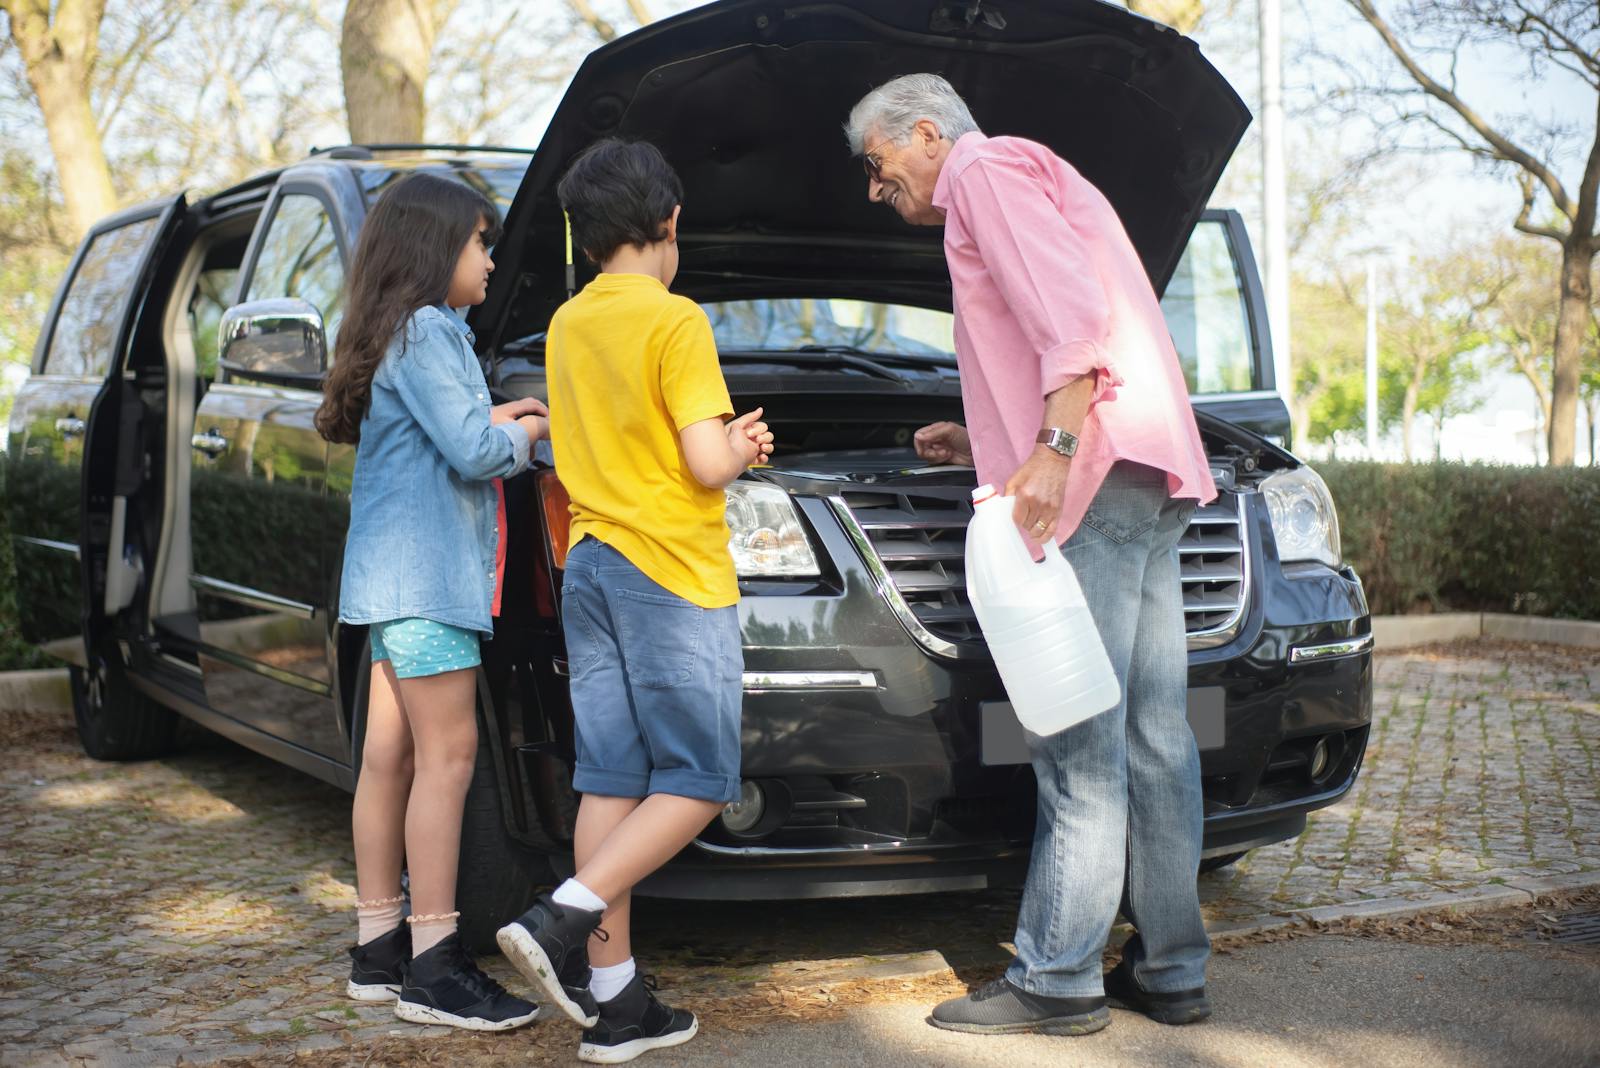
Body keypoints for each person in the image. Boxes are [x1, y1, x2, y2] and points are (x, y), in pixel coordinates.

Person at [843, 74, 1218, 1036]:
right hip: (1145, 464)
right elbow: (1070, 323)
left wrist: (1048, 455)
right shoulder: (1035, 173)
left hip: (1091, 471)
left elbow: (1070, 321)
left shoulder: (984, 171)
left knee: (1077, 740)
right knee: (1155, 735)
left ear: (927, 134)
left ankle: (1055, 979)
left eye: (881, 170)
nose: (877, 194)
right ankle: (1171, 969)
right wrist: (985, 439)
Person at [495, 138, 774, 1065]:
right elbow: (701, 462)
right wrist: (743, 446)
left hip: (592, 565)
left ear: (585, 235)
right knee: (699, 778)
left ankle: (617, 1006)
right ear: (672, 221)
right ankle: (559, 919)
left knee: (608, 776)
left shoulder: (569, 323)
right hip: (670, 570)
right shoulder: (675, 319)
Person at [316, 172, 546, 1031]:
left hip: (389, 586)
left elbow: (443, 432)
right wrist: (521, 431)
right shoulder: (431, 330)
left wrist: (494, 414)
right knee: (449, 758)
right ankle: (436, 967)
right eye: (479, 242)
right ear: (432, 249)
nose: (489, 258)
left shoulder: (396, 332)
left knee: (389, 759)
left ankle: (380, 948)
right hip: (428, 586)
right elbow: (474, 453)